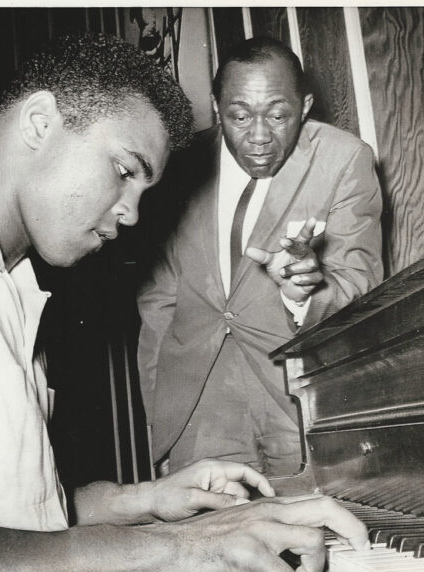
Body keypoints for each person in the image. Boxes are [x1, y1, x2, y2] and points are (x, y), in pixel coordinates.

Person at [0, 32, 369, 572]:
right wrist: (175, 549)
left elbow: (18, 517)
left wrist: (146, 499)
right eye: (124, 170)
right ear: (39, 123)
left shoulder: (9, 283)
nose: (131, 216)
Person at [138, 37, 383, 476]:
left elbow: (360, 285)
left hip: (298, 398)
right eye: (239, 116)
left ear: (304, 106)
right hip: (197, 404)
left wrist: (305, 292)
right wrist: (162, 423)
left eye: (277, 115)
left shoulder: (345, 160)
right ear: (216, 107)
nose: (258, 137)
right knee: (206, 540)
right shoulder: (181, 165)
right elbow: (159, 299)